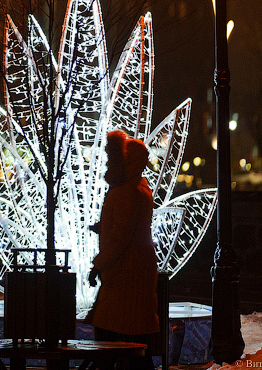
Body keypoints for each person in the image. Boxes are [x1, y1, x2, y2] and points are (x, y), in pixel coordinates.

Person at [86, 132, 159, 369]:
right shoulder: (139, 189)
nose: (110, 163)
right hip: (134, 272)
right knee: (135, 342)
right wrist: (103, 227)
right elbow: (128, 227)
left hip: (124, 275)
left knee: (110, 337)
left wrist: (98, 264)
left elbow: (120, 237)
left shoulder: (126, 192)